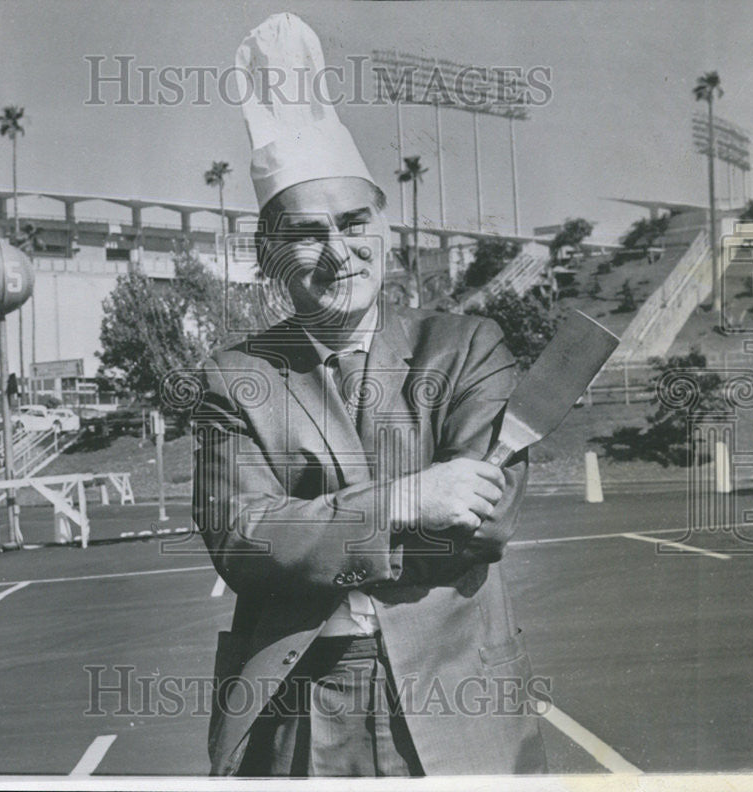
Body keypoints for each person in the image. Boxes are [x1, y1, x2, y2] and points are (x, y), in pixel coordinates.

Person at [192, 13, 546, 777]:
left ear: (385, 228)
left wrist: (311, 533)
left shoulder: (463, 347)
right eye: (308, 233)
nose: (339, 252)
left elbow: (484, 522)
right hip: (302, 697)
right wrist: (409, 500)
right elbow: (243, 542)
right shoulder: (237, 377)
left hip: (455, 690)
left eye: (355, 223)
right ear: (268, 253)